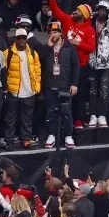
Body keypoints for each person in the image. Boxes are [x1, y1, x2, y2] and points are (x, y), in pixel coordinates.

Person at [42, 21, 80, 149]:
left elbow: (76, 66)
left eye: (55, 32)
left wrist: (74, 84)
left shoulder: (69, 47)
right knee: (50, 111)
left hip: (65, 85)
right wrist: (48, 47)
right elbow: (40, 60)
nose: (52, 34)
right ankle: (51, 135)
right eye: (51, 32)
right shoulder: (47, 47)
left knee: (66, 111)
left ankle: (68, 136)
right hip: (50, 85)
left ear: (60, 33)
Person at [3, 28, 41, 148]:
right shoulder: (8, 53)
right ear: (15, 39)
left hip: (29, 91)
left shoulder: (33, 53)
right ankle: (9, 141)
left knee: (27, 118)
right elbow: (3, 71)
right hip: (13, 91)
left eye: (23, 38)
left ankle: (26, 139)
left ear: (26, 39)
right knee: (10, 118)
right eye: (18, 38)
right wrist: (6, 87)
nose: (21, 40)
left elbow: (38, 71)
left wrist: (37, 86)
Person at [88, 0, 109, 127]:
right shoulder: (91, 21)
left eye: (104, 10)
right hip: (92, 62)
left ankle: (102, 115)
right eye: (100, 9)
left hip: (106, 64)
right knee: (92, 90)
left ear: (108, 11)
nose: (101, 11)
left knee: (104, 90)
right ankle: (93, 115)